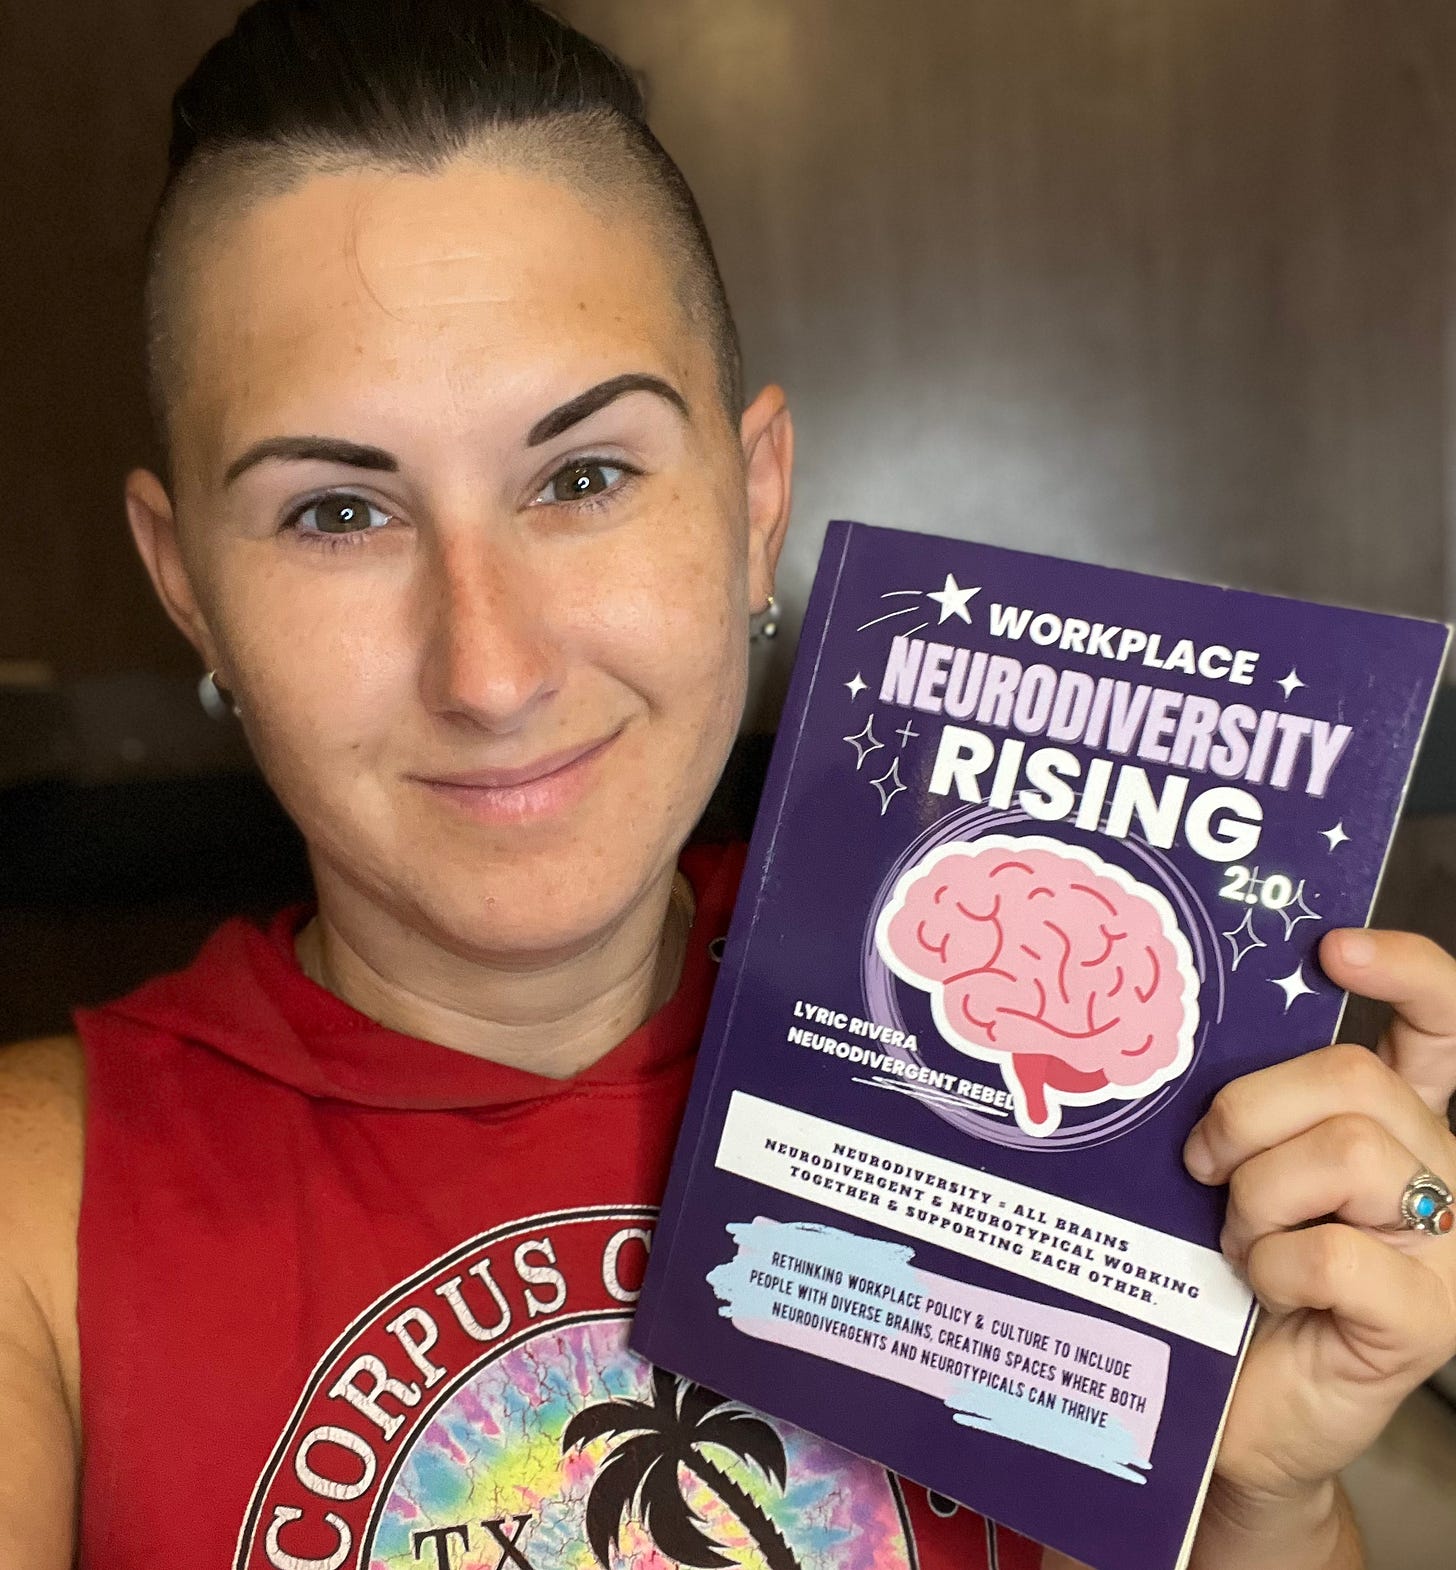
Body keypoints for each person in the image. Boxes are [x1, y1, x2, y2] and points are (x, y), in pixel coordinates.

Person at [1, 2, 1453, 1567]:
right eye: (338, 513)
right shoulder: (36, 1224)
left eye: (581, 476)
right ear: (187, 584)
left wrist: (1256, 1499)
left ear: (756, 504)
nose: (489, 670)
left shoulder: (1073, 1101)